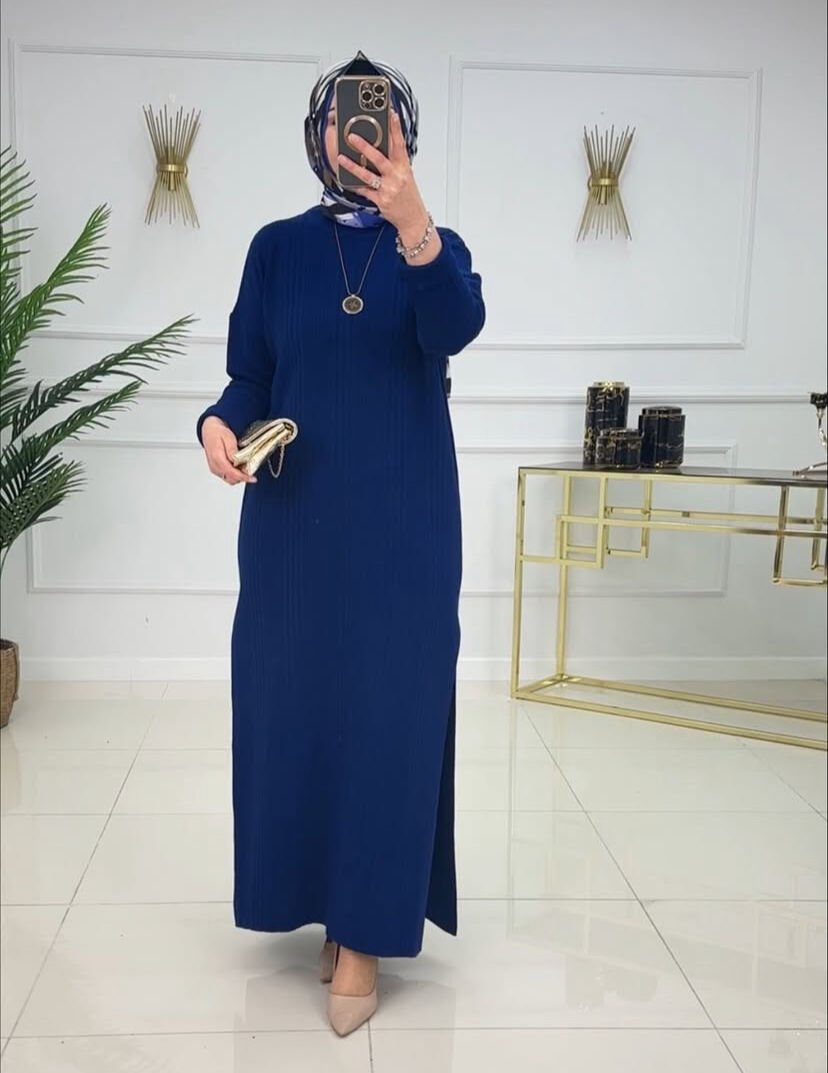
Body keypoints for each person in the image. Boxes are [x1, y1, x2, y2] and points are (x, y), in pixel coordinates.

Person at [196, 50, 485, 1037]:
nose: (354, 134)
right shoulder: (276, 248)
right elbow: (249, 372)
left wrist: (414, 224)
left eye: (375, 118)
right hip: (292, 526)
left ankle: (364, 932)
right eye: (340, 119)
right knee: (295, 709)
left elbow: (455, 328)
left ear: (402, 133)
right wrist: (218, 423)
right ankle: (317, 900)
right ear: (318, 133)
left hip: (404, 527)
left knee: (388, 714)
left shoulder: (435, 245)